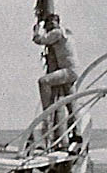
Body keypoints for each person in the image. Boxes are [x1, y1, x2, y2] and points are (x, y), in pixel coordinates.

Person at [34, 13, 81, 146]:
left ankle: (47, 110)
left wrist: (36, 29)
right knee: (71, 103)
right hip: (72, 70)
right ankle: (76, 135)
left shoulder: (57, 33)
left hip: (68, 71)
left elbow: (39, 40)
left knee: (43, 81)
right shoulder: (67, 32)